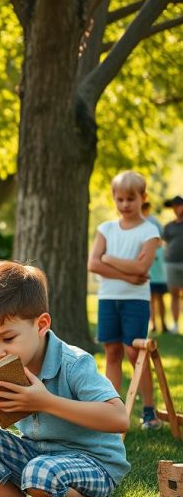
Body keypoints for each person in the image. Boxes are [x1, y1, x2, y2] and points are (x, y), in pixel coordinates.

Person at [0, 260, 130, 497]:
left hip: (93, 464)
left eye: (7, 338)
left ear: (41, 324)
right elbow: (10, 430)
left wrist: (46, 402)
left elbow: (119, 419)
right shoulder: (10, 369)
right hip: (40, 458)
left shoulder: (74, 363)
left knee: (39, 472)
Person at [88, 170, 161, 430]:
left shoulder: (149, 231)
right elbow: (93, 263)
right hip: (108, 299)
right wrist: (127, 274)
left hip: (135, 301)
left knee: (134, 353)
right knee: (112, 352)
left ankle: (149, 411)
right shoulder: (106, 229)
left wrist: (109, 259)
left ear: (143, 197)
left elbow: (142, 268)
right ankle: (113, 409)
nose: (125, 204)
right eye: (120, 199)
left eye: (131, 199)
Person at [142, 201, 167, 334]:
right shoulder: (141, 221)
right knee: (151, 299)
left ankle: (163, 323)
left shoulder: (153, 221)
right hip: (150, 275)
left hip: (160, 276)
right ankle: (153, 324)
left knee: (160, 299)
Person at [163, 194, 183, 335]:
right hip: (172, 264)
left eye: (179, 205)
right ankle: (175, 325)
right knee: (174, 295)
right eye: (174, 206)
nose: (176, 209)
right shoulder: (169, 227)